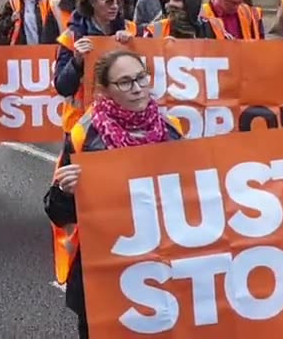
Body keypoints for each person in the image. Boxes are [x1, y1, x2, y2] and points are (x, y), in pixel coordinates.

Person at [47, 50, 184, 339]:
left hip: (159, 266)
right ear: (105, 90)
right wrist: (65, 190)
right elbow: (57, 212)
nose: (136, 88)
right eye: (124, 82)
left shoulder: (171, 129)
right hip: (105, 269)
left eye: (140, 78)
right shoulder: (84, 134)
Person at [52, 0, 138, 133]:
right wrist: (76, 61)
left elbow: (148, 75)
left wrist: (134, 47)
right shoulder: (71, 37)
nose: (115, 6)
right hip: (83, 124)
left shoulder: (130, 30)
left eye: (118, 1)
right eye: (108, 1)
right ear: (92, 2)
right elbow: (62, 87)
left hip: (123, 122)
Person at [142, 0, 228, 39]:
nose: (170, 4)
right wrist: (161, 48)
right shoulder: (155, 30)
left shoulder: (214, 27)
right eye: (167, 0)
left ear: (191, 4)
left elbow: (230, 55)